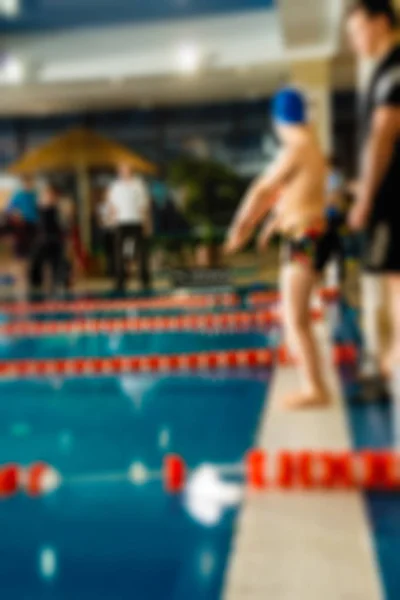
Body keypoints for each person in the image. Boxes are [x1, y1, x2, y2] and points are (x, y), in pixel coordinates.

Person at [225, 88, 331, 410]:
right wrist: (268, 225)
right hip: (308, 235)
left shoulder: (297, 147)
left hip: (305, 238)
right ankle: (315, 385)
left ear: (278, 119)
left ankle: (315, 389)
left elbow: (261, 189)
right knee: (296, 317)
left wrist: (239, 227)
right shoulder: (309, 148)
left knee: (295, 318)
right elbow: (285, 197)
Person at [346, 0, 400, 380]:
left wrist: (365, 196)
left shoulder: (393, 70)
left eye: (357, 30)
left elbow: (383, 134)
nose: (354, 42)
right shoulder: (383, 72)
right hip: (389, 191)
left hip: (393, 195)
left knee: (396, 274)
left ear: (381, 22)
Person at [106, 164, 152, 293]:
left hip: (136, 221)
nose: (125, 171)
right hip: (121, 222)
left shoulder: (138, 184)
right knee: (120, 253)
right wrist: (112, 219)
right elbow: (111, 204)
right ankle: (120, 280)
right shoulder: (116, 186)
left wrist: (146, 222)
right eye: (123, 169)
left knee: (141, 252)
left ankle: (144, 278)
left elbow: (144, 205)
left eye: (127, 169)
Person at [5, 175, 39, 301]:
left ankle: (29, 276)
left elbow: (39, 209)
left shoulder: (35, 194)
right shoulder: (18, 195)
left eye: (30, 182)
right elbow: (9, 210)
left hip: (33, 227)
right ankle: (19, 279)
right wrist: (17, 216)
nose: (29, 184)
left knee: (30, 254)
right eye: (27, 182)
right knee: (19, 255)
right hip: (21, 228)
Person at [30, 184, 66, 297]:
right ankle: (36, 284)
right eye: (46, 194)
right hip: (42, 239)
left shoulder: (57, 208)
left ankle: (57, 283)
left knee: (57, 263)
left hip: (55, 239)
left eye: (50, 195)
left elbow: (62, 225)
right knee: (37, 263)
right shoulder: (39, 207)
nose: (48, 197)